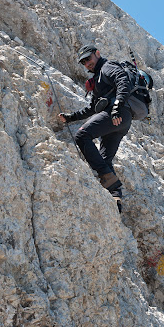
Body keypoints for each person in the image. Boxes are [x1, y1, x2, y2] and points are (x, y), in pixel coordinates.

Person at [58, 45, 133, 211]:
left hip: (117, 114)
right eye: (83, 62)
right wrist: (71, 117)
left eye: (88, 58)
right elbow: (92, 108)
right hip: (121, 121)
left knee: (82, 135)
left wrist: (116, 108)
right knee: (104, 160)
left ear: (97, 54)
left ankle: (108, 179)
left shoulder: (107, 67)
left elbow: (123, 80)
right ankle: (115, 196)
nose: (87, 63)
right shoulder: (98, 79)